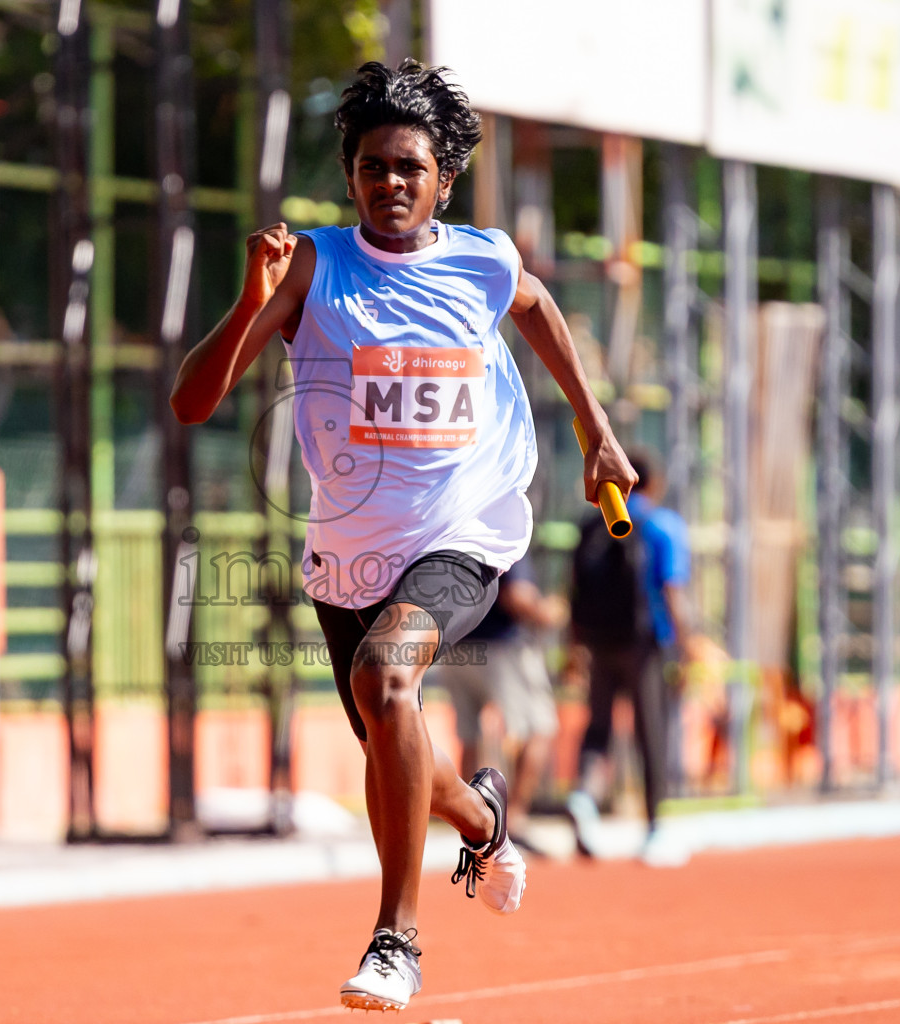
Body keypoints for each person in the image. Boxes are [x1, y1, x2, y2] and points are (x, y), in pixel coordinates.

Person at [170, 60, 635, 1012]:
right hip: (348, 553)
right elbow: (191, 401)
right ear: (351, 175)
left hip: (466, 527)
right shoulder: (312, 265)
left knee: (388, 681)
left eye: (411, 168)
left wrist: (596, 429)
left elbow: (538, 307)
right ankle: (483, 816)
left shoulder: (483, 258)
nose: (392, 183)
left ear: (443, 181)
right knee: (395, 746)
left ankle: (398, 941)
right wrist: (251, 296)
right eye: (375, 166)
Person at [565, 447, 693, 868]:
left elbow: (574, 589)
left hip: (600, 640)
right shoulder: (662, 524)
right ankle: (655, 827)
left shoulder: (591, 525)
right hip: (645, 642)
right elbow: (672, 588)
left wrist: (573, 645)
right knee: (650, 731)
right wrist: (686, 646)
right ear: (648, 480)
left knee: (598, 725)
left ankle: (583, 797)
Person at [433, 550, 565, 845]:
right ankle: (514, 819)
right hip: (502, 647)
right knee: (539, 728)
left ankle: (469, 822)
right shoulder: (503, 526)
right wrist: (548, 612)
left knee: (470, 736)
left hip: (454, 645)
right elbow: (517, 596)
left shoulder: (452, 530)